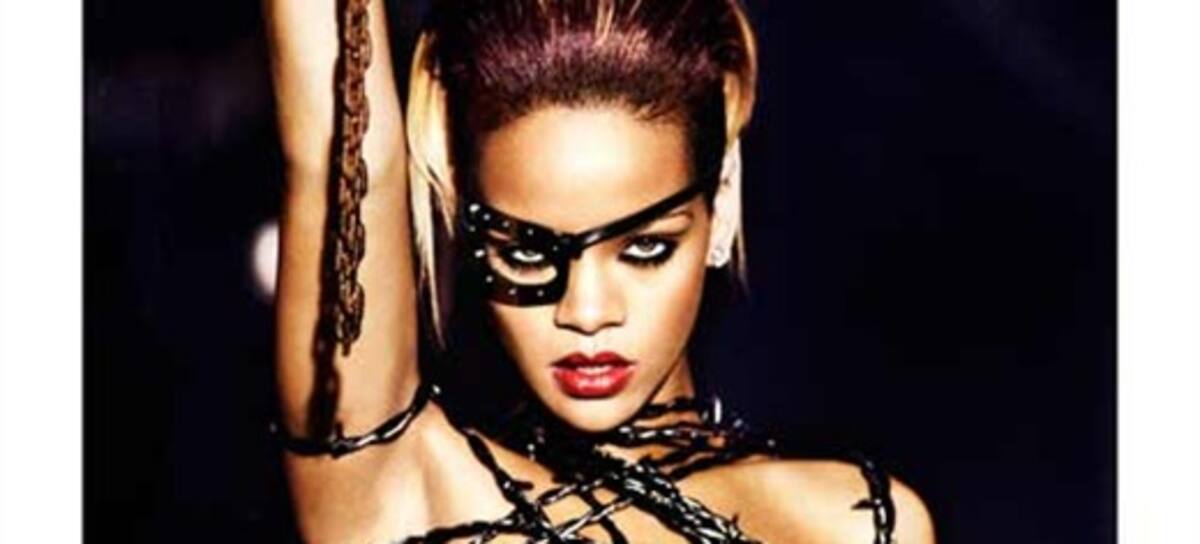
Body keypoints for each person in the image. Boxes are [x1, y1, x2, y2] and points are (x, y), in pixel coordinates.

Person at [264, 0, 936, 541]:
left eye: (645, 249)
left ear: (723, 201)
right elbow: (336, 156)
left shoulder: (858, 524)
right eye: (526, 253)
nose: (587, 313)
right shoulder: (404, 492)